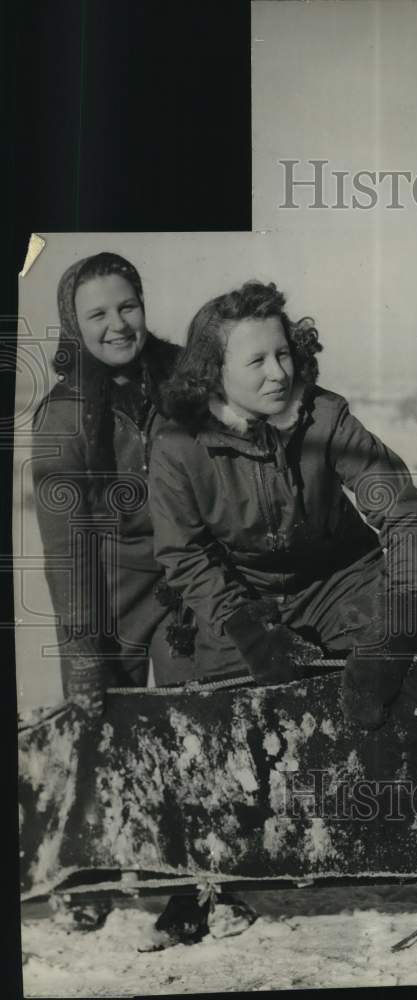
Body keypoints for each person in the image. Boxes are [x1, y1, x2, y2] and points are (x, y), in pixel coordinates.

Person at [31, 252, 249, 948]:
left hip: (185, 579)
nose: (117, 324)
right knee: (103, 732)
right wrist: (85, 654)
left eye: (126, 306)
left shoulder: (189, 380)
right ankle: (88, 871)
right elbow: (67, 551)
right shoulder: (64, 414)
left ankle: (200, 885)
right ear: (75, 324)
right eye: (97, 314)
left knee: (195, 725)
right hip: (110, 586)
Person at [149, 279, 417, 734]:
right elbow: (183, 553)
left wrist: (400, 618)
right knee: (234, 723)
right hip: (245, 596)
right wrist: (245, 627)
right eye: (257, 361)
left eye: (282, 353)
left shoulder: (324, 417)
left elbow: (405, 513)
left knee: (399, 699)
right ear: (214, 372)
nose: (279, 373)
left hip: (340, 583)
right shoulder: (177, 444)